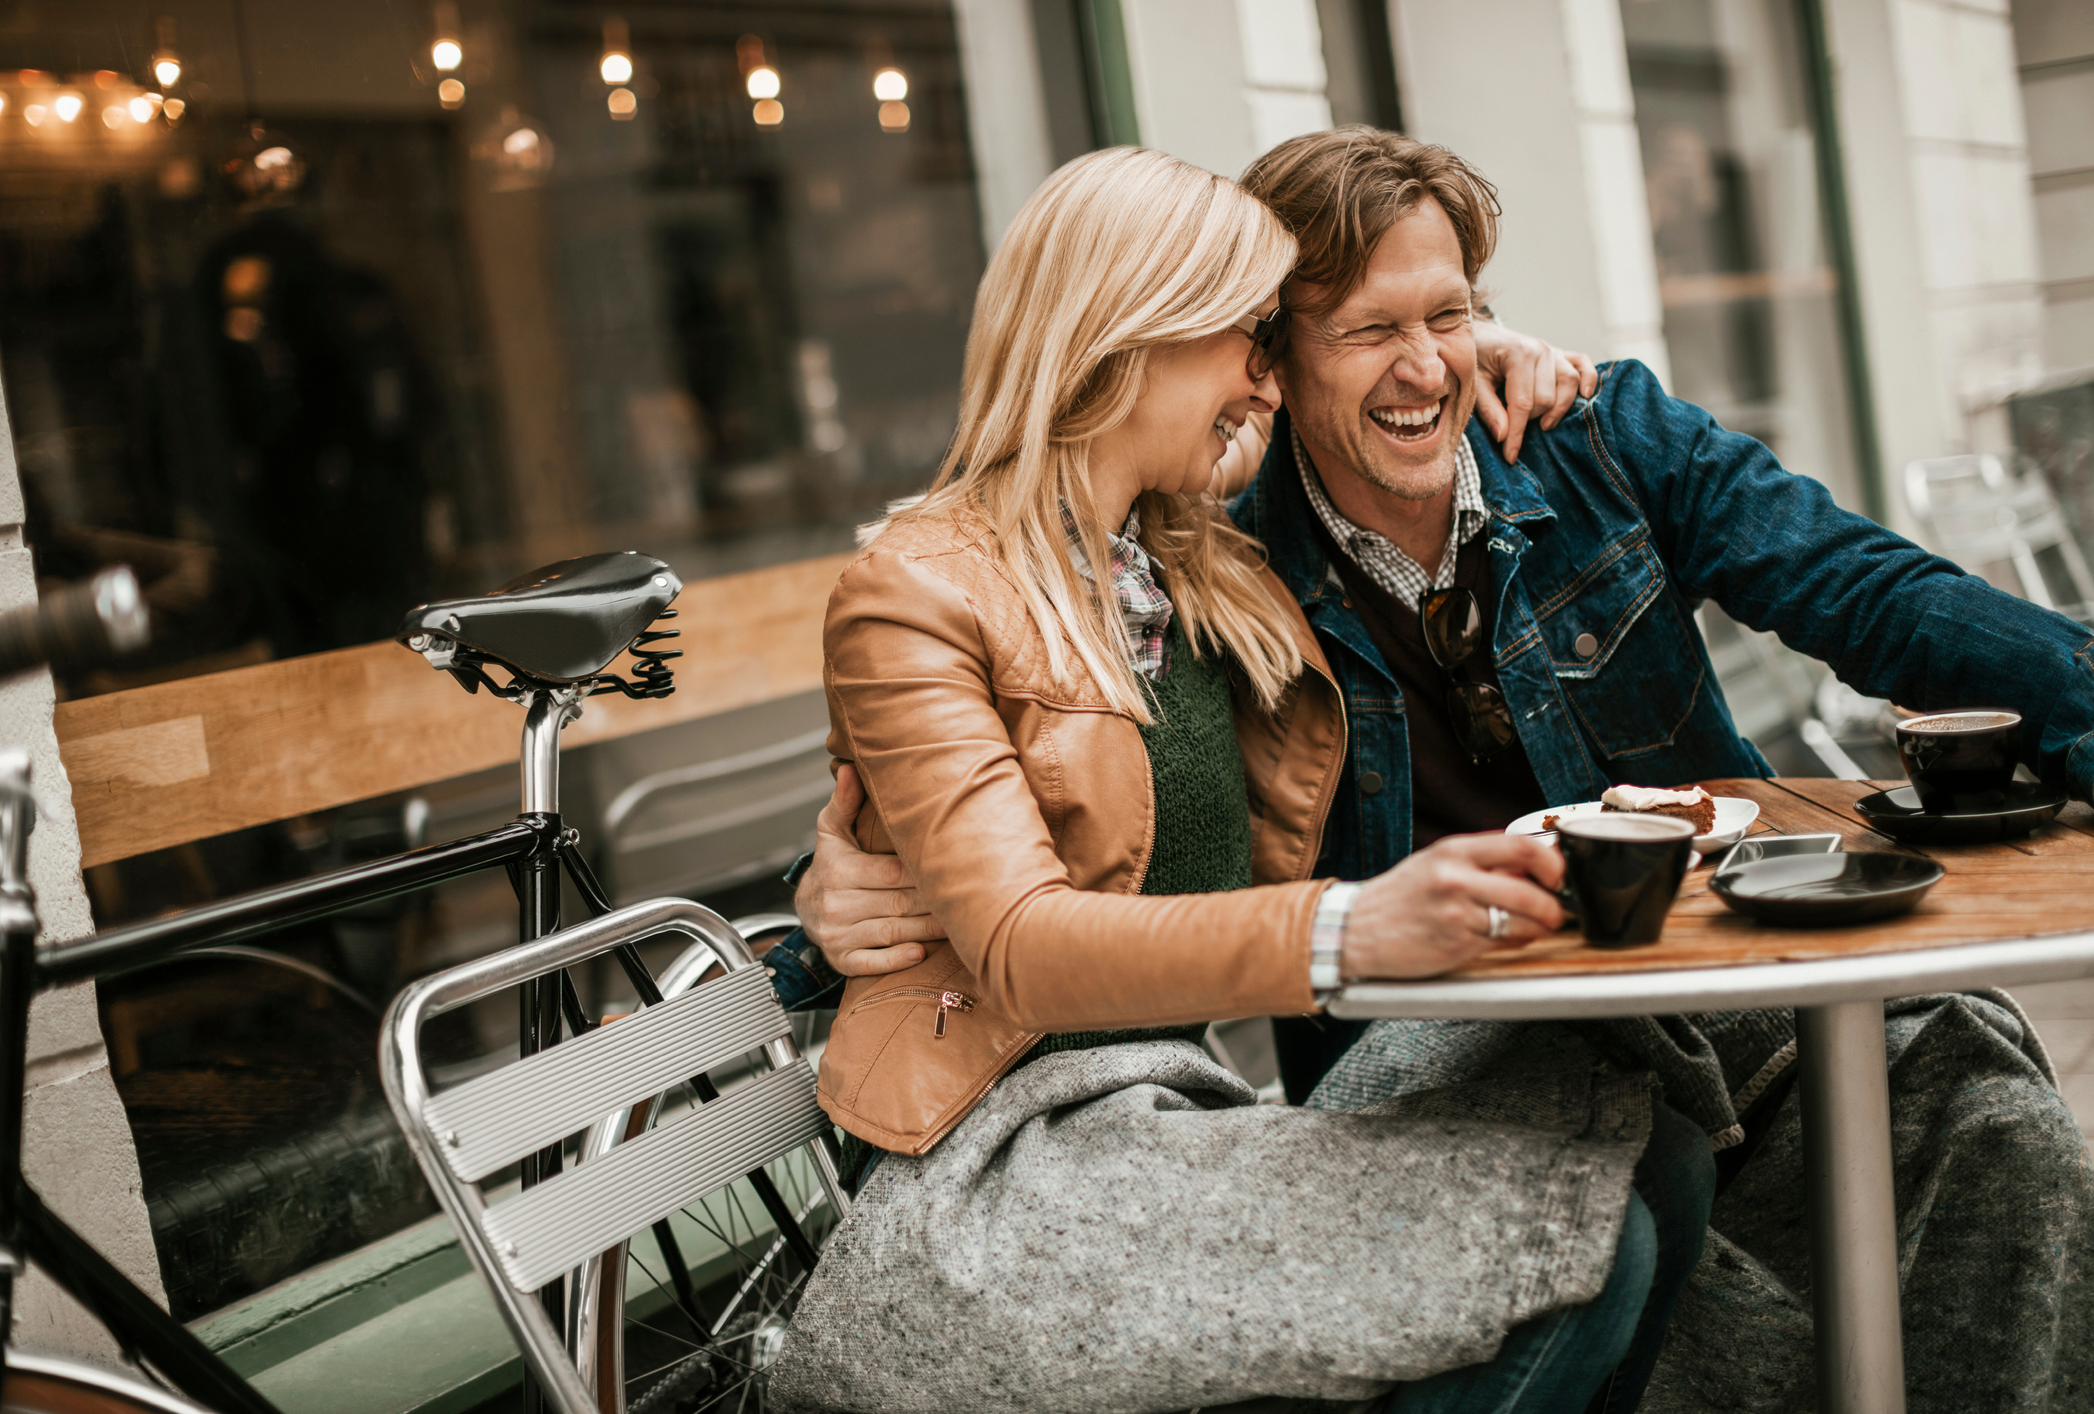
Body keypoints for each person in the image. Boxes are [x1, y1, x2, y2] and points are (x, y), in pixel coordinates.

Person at [785, 126, 2094, 1413]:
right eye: (1353, 330)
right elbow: (1001, 754)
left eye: (1453, 313)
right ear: (1275, 356)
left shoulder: (1570, 441)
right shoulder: (1224, 543)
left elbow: (1866, 590)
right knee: (1626, 1232)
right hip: (1427, 1038)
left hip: (1710, 982)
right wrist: (834, 890)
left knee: (1988, 1116)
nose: (1422, 365)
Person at [764, 144, 1712, 1414]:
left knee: (1650, 1119)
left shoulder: (1199, 563)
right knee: (1578, 1261)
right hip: (1007, 1155)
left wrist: (1475, 345)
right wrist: (1349, 924)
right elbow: (1016, 941)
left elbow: (1381, 411)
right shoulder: (918, 591)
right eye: (1246, 340)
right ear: (1129, 338)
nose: (1268, 379)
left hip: (1173, 1114)